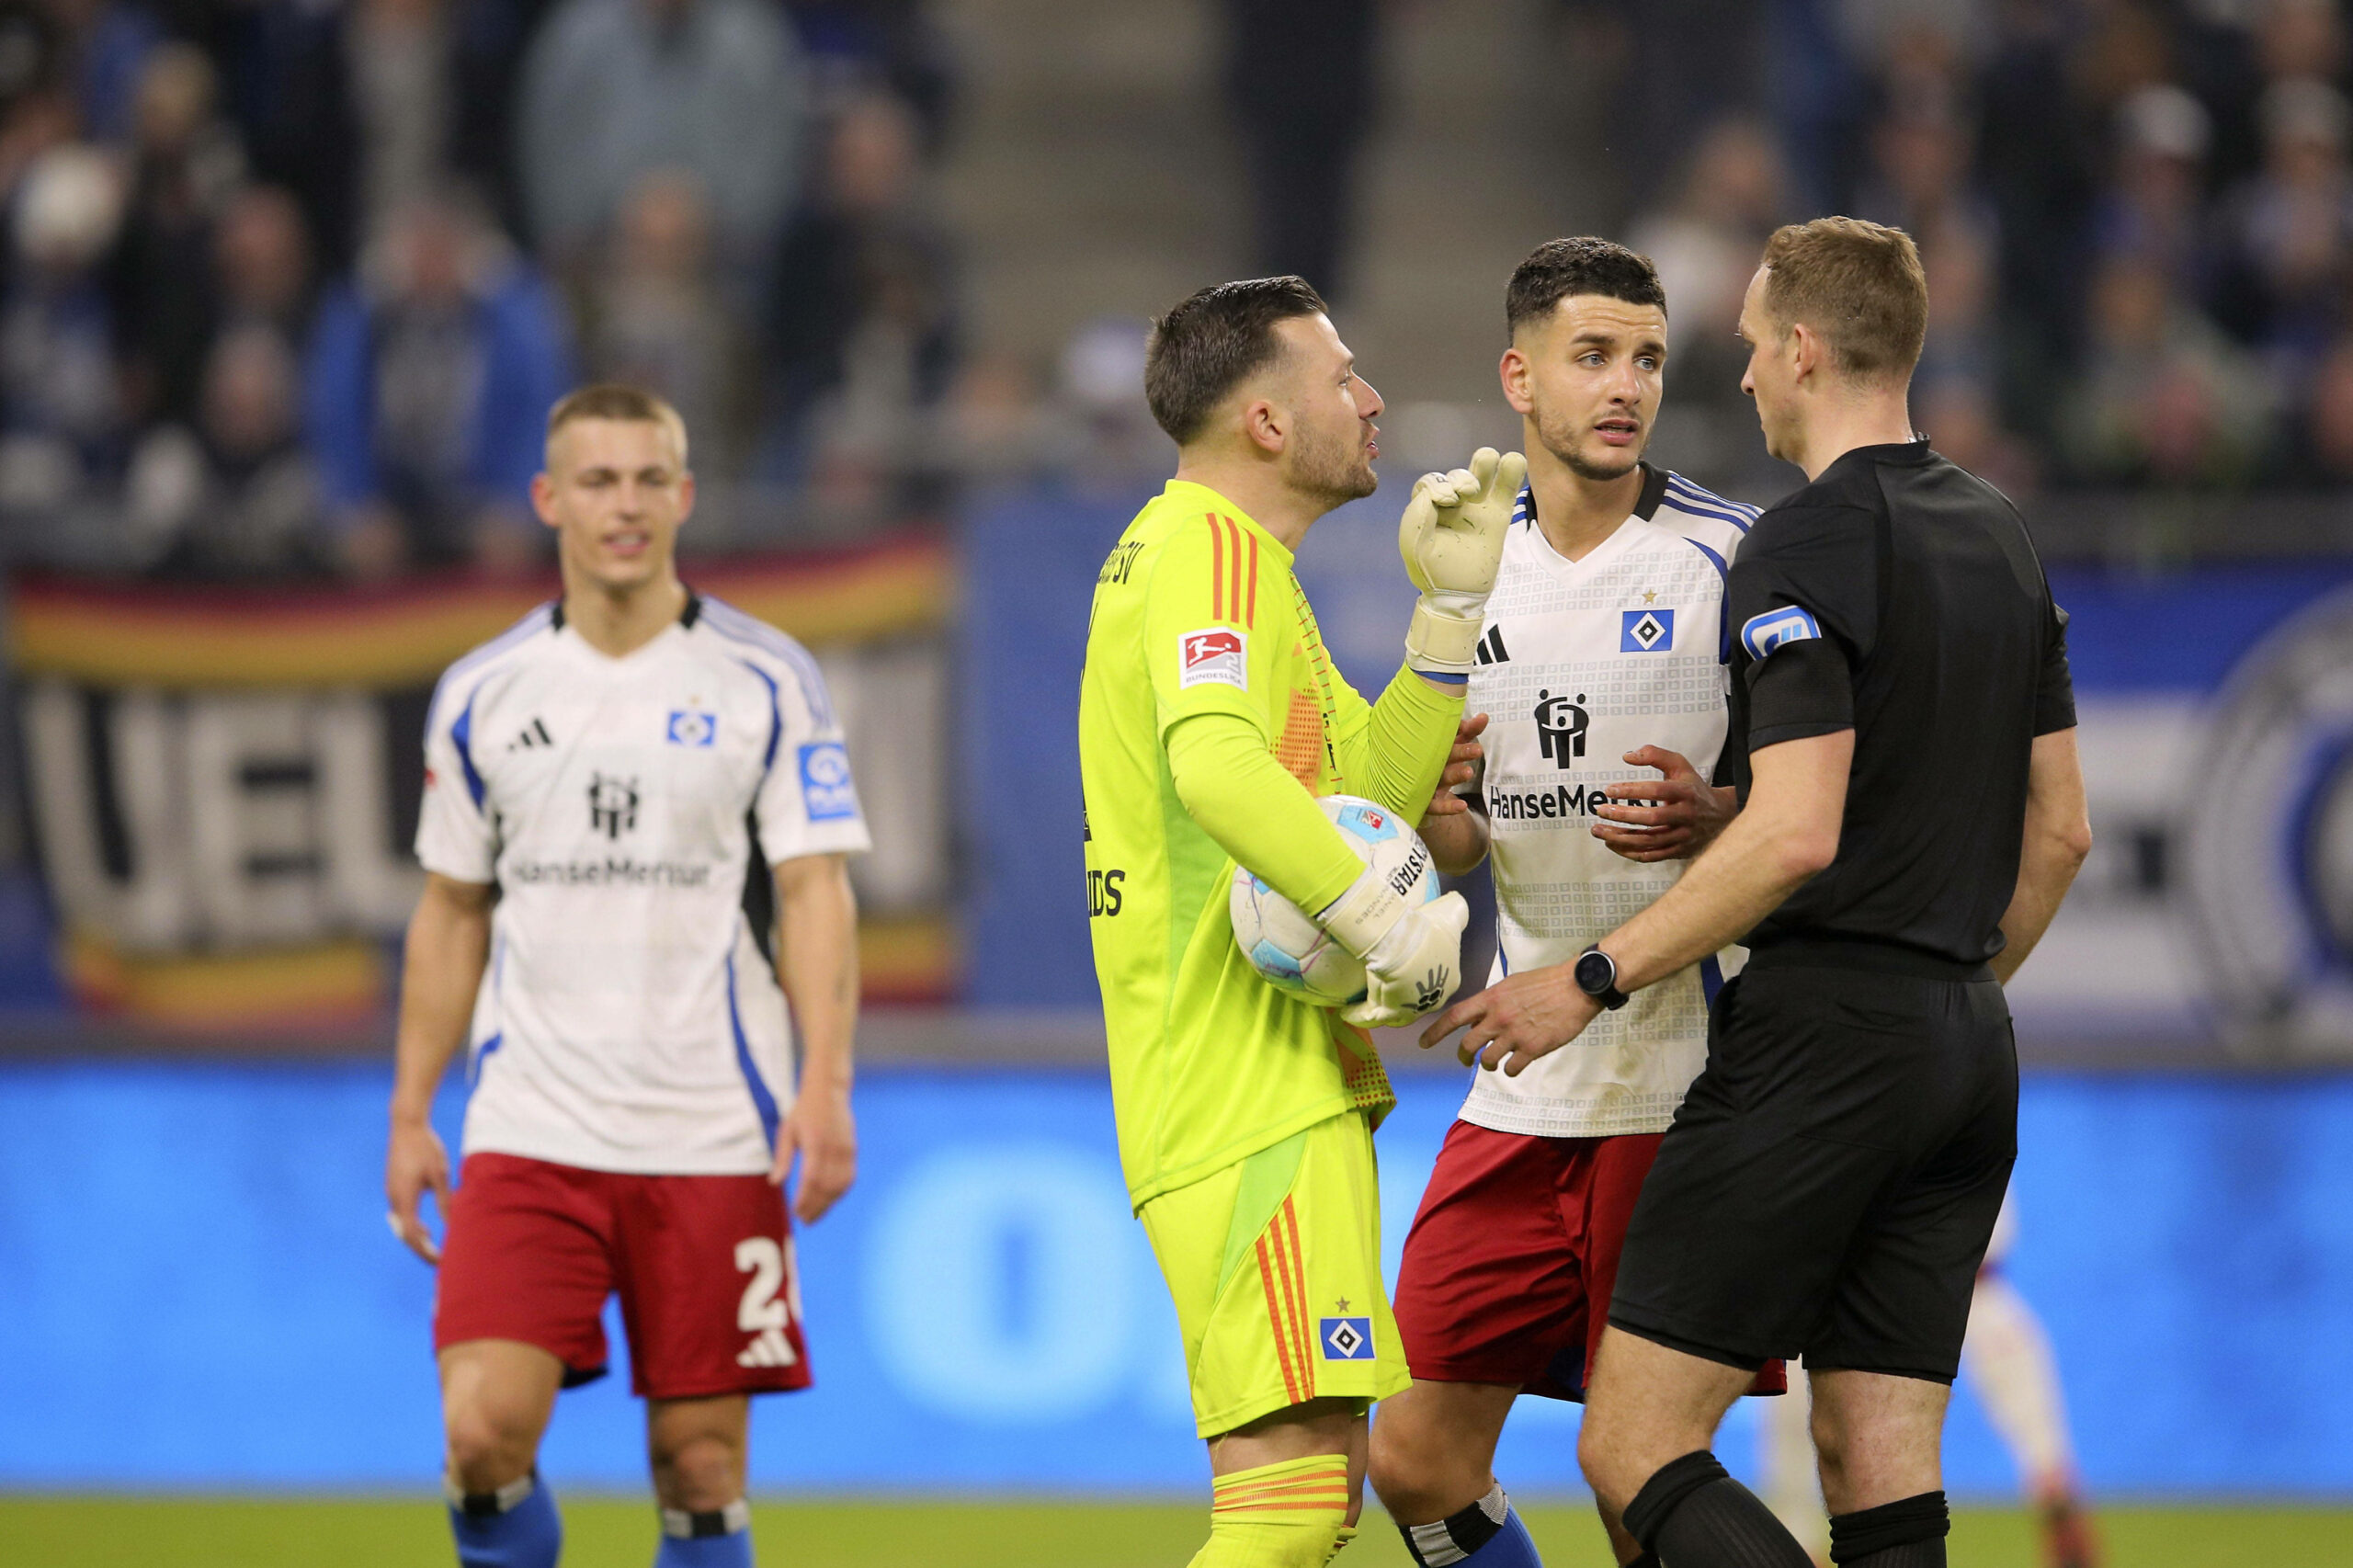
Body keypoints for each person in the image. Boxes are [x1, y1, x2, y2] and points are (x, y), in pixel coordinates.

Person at [1423, 217, 2093, 1568]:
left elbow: (1796, 834)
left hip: (1807, 1038)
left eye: (1718, 352)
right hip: (1966, 1036)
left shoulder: (1789, 543)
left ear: (1798, 349)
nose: (1725, 382)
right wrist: (1942, 992)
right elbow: (2063, 831)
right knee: (1875, 1459)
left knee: (1632, 1451)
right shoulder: (2002, 532)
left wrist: (1592, 977)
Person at [382, 383, 868, 1568]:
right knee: (483, 1428)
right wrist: (408, 1110)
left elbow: (814, 890)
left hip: (712, 1125)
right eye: (597, 480)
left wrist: (828, 1084)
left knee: (700, 1466)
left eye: (651, 478)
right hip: (530, 1123)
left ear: (685, 496)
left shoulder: (764, 677)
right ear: (549, 499)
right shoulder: (483, 694)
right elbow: (450, 911)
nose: (626, 504)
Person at [1078, 275, 1510, 1567]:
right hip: (1237, 1085)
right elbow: (1218, 768)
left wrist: (1444, 619)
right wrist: (1385, 923)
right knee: (1286, 1503)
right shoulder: (1207, 550)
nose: (1371, 402)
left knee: (1305, 1494)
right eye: (1342, 379)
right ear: (1267, 419)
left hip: (1262, 1080)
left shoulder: (1244, 566)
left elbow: (1362, 795)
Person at [1366, 236, 1779, 1568]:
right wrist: (1445, 821)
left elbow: (1819, 814)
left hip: (1685, 1081)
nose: (1628, 387)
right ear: (1518, 376)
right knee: (1413, 1455)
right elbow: (1463, 835)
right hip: (1523, 1076)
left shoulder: (1732, 557)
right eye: (1594, 356)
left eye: (1648, 358)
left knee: (1637, 1485)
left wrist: (1725, 815)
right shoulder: (1469, 577)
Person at [1760, 1197, 2104, 1568]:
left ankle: (1801, 1542)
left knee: (1802, 1408)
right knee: (2014, 1375)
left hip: (1857, 1283)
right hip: (1954, 1276)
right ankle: (2053, 1478)